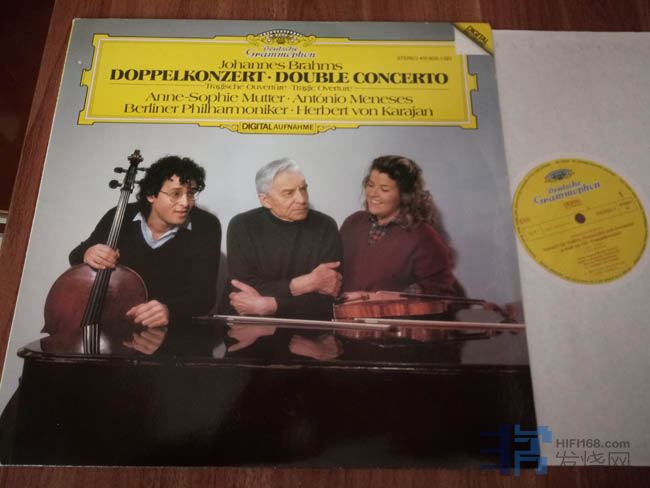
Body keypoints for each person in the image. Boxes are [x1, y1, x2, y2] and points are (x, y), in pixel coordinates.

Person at [69, 155, 221, 354]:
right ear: (151, 195)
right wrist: (89, 253)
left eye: (191, 193)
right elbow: (76, 256)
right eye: (176, 194)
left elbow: (205, 296)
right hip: (113, 329)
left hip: (175, 337)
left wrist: (169, 310)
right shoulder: (120, 215)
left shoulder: (206, 225)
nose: (186, 203)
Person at [221, 158, 343, 358]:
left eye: (304, 189)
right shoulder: (242, 225)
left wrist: (270, 305)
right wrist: (305, 284)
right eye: (289, 193)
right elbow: (241, 294)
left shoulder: (326, 226)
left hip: (307, 335)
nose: (302, 199)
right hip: (249, 331)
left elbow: (327, 302)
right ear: (265, 200)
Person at [340, 155, 462, 297]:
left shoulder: (424, 237)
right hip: (342, 312)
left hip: (390, 313)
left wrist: (381, 299)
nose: (372, 194)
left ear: (404, 195)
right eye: (371, 185)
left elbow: (439, 295)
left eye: (384, 189)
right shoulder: (353, 223)